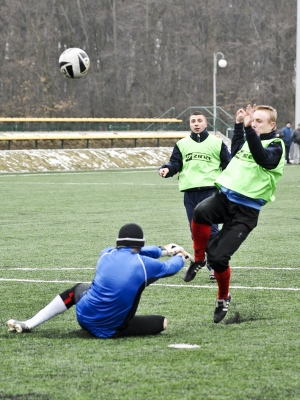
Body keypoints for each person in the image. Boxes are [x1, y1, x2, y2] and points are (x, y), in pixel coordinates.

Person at [183, 104, 285, 323]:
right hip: (226, 199)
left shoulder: (277, 144)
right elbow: (238, 149)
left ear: (272, 124)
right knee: (200, 212)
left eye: (259, 121)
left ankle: (223, 297)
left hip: (246, 211)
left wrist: (248, 129)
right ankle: (199, 259)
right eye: (253, 120)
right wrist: (239, 125)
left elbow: (262, 158)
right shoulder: (250, 138)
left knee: (219, 258)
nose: (254, 124)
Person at [6, 223, 187, 338]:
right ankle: (110, 327)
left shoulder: (106, 253)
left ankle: (30, 323)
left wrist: (163, 249)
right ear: (139, 245)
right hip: (113, 329)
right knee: (161, 322)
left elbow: (135, 251)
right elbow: (170, 268)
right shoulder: (144, 263)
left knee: (77, 289)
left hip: (84, 317)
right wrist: (180, 255)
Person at [158, 111, 231, 281]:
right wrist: (167, 169)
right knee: (196, 232)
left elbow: (228, 165)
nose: (196, 123)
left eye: (199, 121)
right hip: (190, 194)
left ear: (206, 124)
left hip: (211, 192)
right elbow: (175, 163)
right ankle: (204, 259)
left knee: (211, 230)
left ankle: (215, 266)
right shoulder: (182, 144)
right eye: (193, 121)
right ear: (190, 124)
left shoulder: (217, 143)